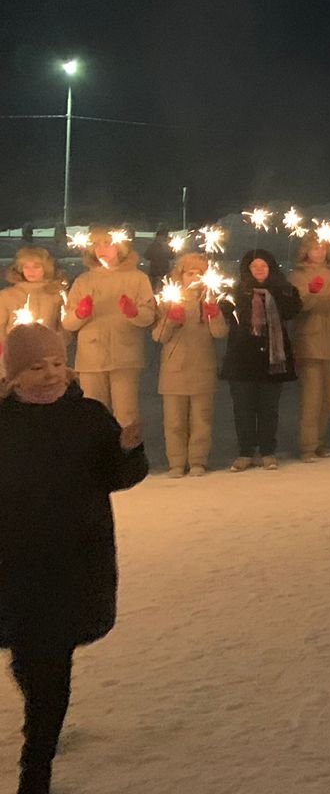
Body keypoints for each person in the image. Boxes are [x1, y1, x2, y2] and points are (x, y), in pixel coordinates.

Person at [0, 322, 147, 794]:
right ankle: (40, 721)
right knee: (29, 658)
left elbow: (116, 476)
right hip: (13, 561)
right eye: (37, 367)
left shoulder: (87, 415)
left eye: (58, 364)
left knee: (50, 659)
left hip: (72, 558)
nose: (51, 375)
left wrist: (129, 451)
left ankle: (35, 765)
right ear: (14, 376)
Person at [61, 227, 156, 428]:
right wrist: (80, 314)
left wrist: (133, 313)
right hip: (91, 357)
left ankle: (126, 457)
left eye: (107, 243)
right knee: (93, 413)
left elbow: (148, 316)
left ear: (120, 247)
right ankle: (96, 457)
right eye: (96, 244)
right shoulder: (84, 280)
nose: (101, 249)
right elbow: (67, 322)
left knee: (126, 414)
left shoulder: (137, 278)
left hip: (125, 356)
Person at [219, 248, 303, 470]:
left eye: (263, 266)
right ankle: (245, 452)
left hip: (272, 359)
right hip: (242, 359)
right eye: (254, 266)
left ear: (271, 268)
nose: (259, 269)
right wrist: (222, 307)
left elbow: (293, 310)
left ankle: (268, 451)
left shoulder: (282, 290)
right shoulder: (236, 292)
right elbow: (227, 316)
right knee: (243, 408)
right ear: (247, 269)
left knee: (268, 408)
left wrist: (289, 295)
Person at [150, 252, 227, 477]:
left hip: (203, 368)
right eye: (189, 273)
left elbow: (220, 333)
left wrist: (214, 315)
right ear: (180, 275)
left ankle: (197, 461)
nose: (193, 278)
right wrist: (171, 320)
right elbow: (158, 336)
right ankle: (176, 462)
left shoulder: (210, 300)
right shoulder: (168, 300)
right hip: (174, 371)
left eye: (199, 274)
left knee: (201, 419)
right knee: (174, 421)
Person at [288, 236, 330, 461]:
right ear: (306, 252)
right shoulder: (298, 276)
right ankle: (307, 445)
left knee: (327, 396)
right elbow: (300, 307)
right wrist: (311, 292)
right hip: (309, 339)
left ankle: (320, 441)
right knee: (311, 396)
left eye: (323, 248)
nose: (320, 252)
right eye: (315, 248)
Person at [1, 247, 67, 338]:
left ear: (46, 268)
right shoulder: (7, 295)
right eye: (26, 267)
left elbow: (64, 328)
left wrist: (56, 346)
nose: (31, 271)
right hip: (14, 349)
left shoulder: (56, 294)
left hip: (47, 348)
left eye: (36, 267)